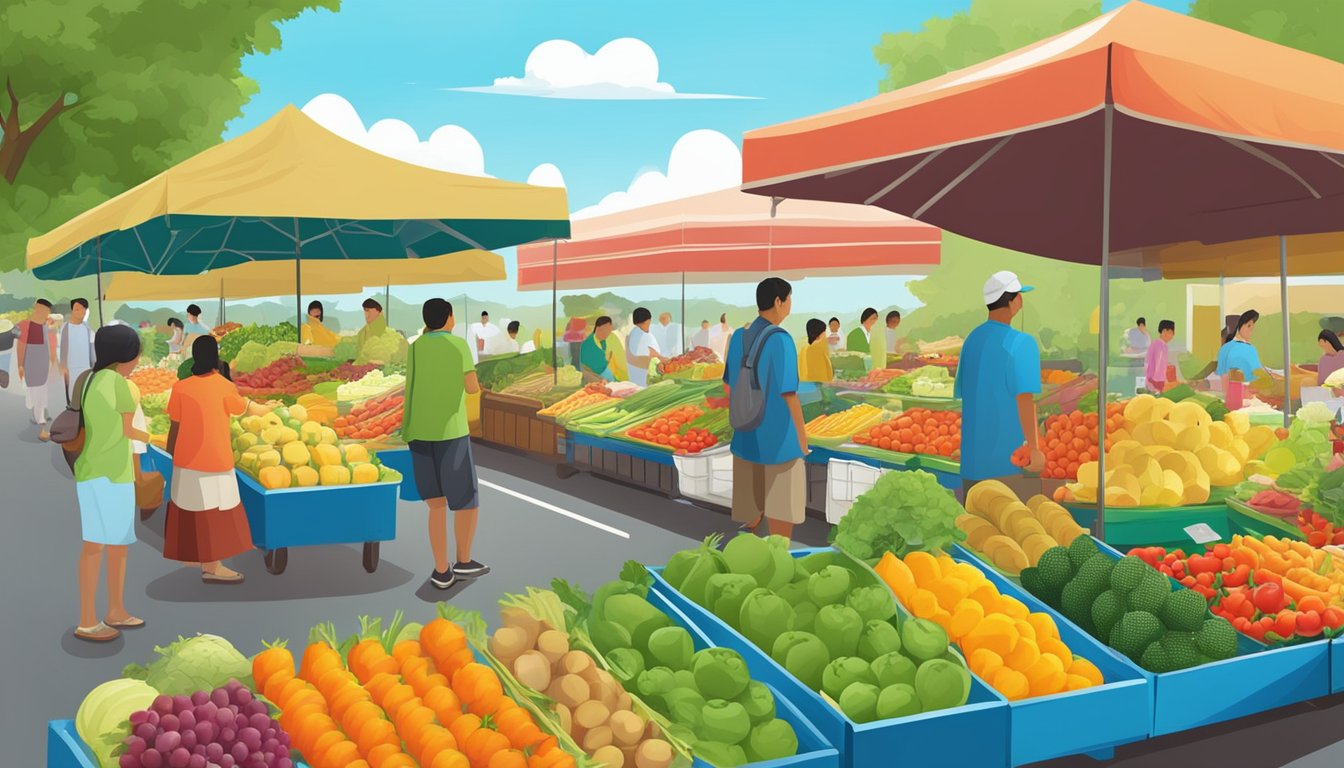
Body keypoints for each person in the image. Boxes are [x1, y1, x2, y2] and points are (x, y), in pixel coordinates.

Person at [164, 336, 272, 584]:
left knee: (190, 511)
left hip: (186, 459)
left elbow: (175, 424)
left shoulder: (181, 387)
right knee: (214, 514)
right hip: (214, 458)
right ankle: (212, 568)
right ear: (215, 357)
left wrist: (172, 452)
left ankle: (195, 558)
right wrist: (267, 407)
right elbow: (240, 408)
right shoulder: (224, 386)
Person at [404, 298, 488, 589]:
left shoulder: (414, 347)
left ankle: (441, 570)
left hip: (418, 431)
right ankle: (463, 561)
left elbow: (410, 387)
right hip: (450, 432)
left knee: (436, 505)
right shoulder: (458, 345)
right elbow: (472, 387)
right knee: (465, 501)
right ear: (449, 318)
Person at [72, 324, 148, 642]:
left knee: (93, 547)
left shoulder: (88, 380)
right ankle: (107, 613)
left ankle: (92, 616)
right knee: (117, 548)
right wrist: (155, 437)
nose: (138, 363)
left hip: (88, 472)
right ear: (125, 356)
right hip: (115, 476)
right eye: (136, 356)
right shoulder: (122, 385)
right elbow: (131, 432)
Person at [724, 278, 808, 540]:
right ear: (778, 302)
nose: (790, 306)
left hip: (746, 435)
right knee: (782, 510)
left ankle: (745, 549)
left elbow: (729, 384)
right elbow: (789, 395)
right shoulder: (782, 340)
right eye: (789, 299)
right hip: (778, 442)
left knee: (751, 509)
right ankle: (778, 557)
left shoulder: (739, 336)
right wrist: (802, 441)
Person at [955, 271, 1045, 485]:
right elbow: (1024, 399)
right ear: (1013, 301)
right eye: (1020, 296)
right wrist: (1033, 448)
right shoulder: (1022, 343)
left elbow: (965, 394)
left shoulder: (972, 339)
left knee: (976, 518)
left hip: (972, 464)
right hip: (1009, 463)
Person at [16, 298, 58, 440]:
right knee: (35, 389)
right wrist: (20, 365)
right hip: (31, 361)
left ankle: (40, 417)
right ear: (36, 308)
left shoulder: (47, 326)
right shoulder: (25, 325)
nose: (43, 312)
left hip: (43, 362)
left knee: (41, 389)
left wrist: (54, 363)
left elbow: (51, 346)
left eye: (46, 310)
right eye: (41, 308)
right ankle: (40, 421)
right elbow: (21, 346)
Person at [61, 298, 95, 403]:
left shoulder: (88, 329)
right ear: (72, 311)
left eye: (84, 309)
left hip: (86, 368)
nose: (81, 312)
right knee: (73, 398)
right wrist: (64, 368)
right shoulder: (65, 328)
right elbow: (62, 349)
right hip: (71, 369)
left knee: (86, 397)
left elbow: (92, 349)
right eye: (77, 309)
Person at [626, 308, 666, 387]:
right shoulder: (643, 335)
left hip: (636, 377)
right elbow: (651, 356)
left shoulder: (634, 333)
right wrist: (664, 361)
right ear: (648, 320)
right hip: (645, 378)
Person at [1143, 319, 1176, 393]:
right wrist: (1154, 381)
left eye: (1172, 333)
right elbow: (1158, 362)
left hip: (1157, 380)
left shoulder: (1162, 345)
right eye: (1170, 332)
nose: (1172, 335)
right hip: (1155, 380)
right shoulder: (1158, 344)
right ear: (1164, 332)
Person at [581, 317, 617, 382]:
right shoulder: (588, 344)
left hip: (608, 377)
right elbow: (586, 369)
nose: (608, 333)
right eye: (606, 329)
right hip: (597, 379)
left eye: (610, 330)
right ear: (598, 329)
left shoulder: (604, 341)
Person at [799, 318, 833, 384]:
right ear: (819, 333)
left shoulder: (804, 349)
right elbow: (823, 373)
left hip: (805, 386)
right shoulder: (817, 349)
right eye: (824, 331)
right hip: (819, 387)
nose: (825, 333)